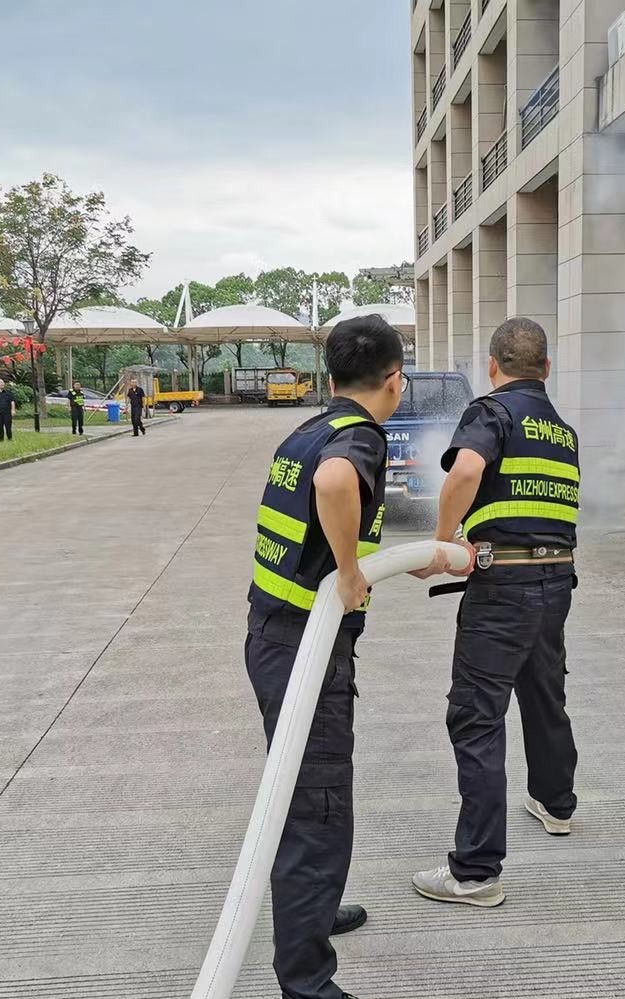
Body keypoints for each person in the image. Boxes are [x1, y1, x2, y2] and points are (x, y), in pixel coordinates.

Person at [245, 314, 454, 999]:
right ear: (395, 380)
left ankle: (314, 907)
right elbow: (336, 486)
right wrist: (348, 571)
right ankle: (307, 983)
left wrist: (402, 560)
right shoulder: (359, 437)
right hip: (304, 650)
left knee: (303, 792)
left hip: (274, 635)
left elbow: (328, 513)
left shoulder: (311, 428)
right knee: (318, 808)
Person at [413, 316, 580, 909]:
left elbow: (466, 470)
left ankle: (476, 871)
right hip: (555, 580)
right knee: (544, 693)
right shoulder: (563, 431)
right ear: (546, 369)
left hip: (503, 587)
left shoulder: (492, 412)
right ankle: (556, 804)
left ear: (492, 366)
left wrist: (441, 541)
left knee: (477, 716)